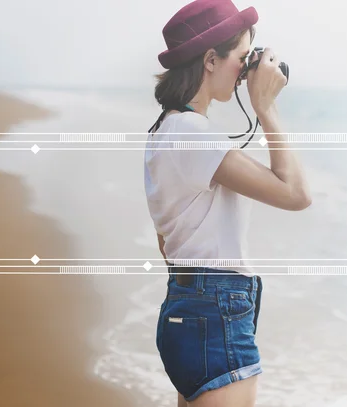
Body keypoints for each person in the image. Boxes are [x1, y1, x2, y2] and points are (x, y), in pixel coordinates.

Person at [144, 0, 312, 405]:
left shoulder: (166, 129)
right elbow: (297, 195)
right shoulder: (194, 134)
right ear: (210, 60)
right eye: (242, 58)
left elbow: (166, 242)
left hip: (186, 308)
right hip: (216, 314)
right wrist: (266, 108)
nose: (245, 72)